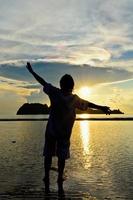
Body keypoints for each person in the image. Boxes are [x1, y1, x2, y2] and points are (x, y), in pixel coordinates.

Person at [26, 62, 111, 194]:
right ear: (72, 86)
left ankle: (47, 176)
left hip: (51, 131)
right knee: (61, 157)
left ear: (61, 85)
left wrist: (31, 72)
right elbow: (88, 104)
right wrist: (102, 107)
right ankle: (59, 177)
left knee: (48, 154)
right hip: (64, 134)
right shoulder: (74, 99)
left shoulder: (55, 92)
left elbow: (42, 81)